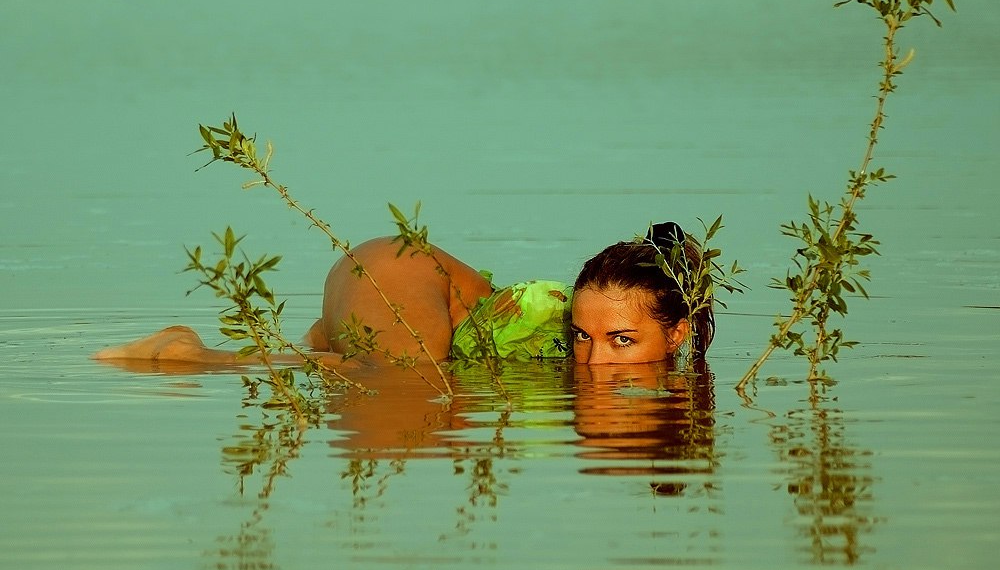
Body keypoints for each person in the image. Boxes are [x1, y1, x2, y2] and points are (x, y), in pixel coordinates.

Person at [94, 222, 714, 368]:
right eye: (582, 336)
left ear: (679, 332)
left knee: (353, 365)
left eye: (621, 341)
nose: (595, 361)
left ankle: (310, 342)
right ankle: (190, 355)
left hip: (395, 292)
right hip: (398, 270)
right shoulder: (544, 316)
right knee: (406, 380)